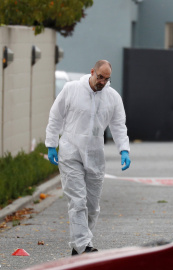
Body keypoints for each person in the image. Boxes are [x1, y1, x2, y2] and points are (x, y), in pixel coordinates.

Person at [45, 60, 131, 255]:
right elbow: (55, 116)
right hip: (70, 151)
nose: (102, 82)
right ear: (92, 72)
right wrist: (51, 144)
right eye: (100, 77)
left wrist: (123, 149)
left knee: (92, 206)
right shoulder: (71, 89)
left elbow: (118, 125)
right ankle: (85, 247)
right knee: (77, 201)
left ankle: (79, 247)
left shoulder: (112, 98)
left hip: (95, 154)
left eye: (106, 79)